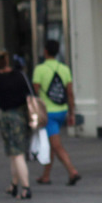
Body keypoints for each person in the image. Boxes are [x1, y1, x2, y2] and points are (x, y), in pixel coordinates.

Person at [31, 39, 81, 185]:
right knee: (52, 144)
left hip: (48, 113)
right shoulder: (64, 69)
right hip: (62, 111)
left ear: (45, 51)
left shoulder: (39, 69)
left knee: (56, 145)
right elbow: (70, 93)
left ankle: (72, 171)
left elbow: (34, 92)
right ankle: (45, 176)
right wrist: (72, 113)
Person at [0, 50, 32, 200]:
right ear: (8, 60)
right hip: (20, 116)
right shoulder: (19, 76)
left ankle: (25, 188)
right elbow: (28, 92)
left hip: (5, 117)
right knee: (16, 153)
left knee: (15, 153)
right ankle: (14, 184)